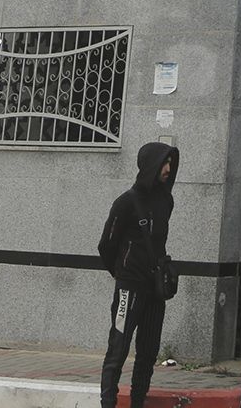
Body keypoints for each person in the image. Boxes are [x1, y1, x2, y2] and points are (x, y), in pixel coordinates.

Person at [97, 142, 180, 408]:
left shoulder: (166, 200)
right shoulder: (126, 202)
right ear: (150, 165)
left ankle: (137, 402)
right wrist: (124, 272)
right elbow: (106, 245)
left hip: (154, 289)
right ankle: (107, 403)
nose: (168, 169)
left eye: (170, 163)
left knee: (148, 351)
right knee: (118, 348)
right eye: (163, 163)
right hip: (129, 287)